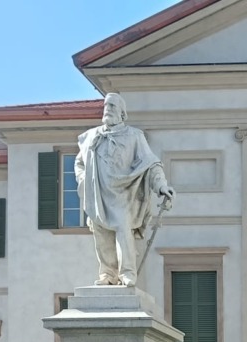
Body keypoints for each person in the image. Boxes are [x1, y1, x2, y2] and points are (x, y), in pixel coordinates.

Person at [75, 92, 175, 287]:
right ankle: (108, 274)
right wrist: (83, 179)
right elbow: (79, 163)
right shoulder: (91, 137)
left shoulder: (134, 136)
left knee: (123, 230)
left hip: (123, 195)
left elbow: (151, 164)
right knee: (101, 234)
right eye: (106, 105)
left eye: (112, 106)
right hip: (98, 194)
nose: (107, 109)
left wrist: (161, 186)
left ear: (122, 114)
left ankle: (127, 272)